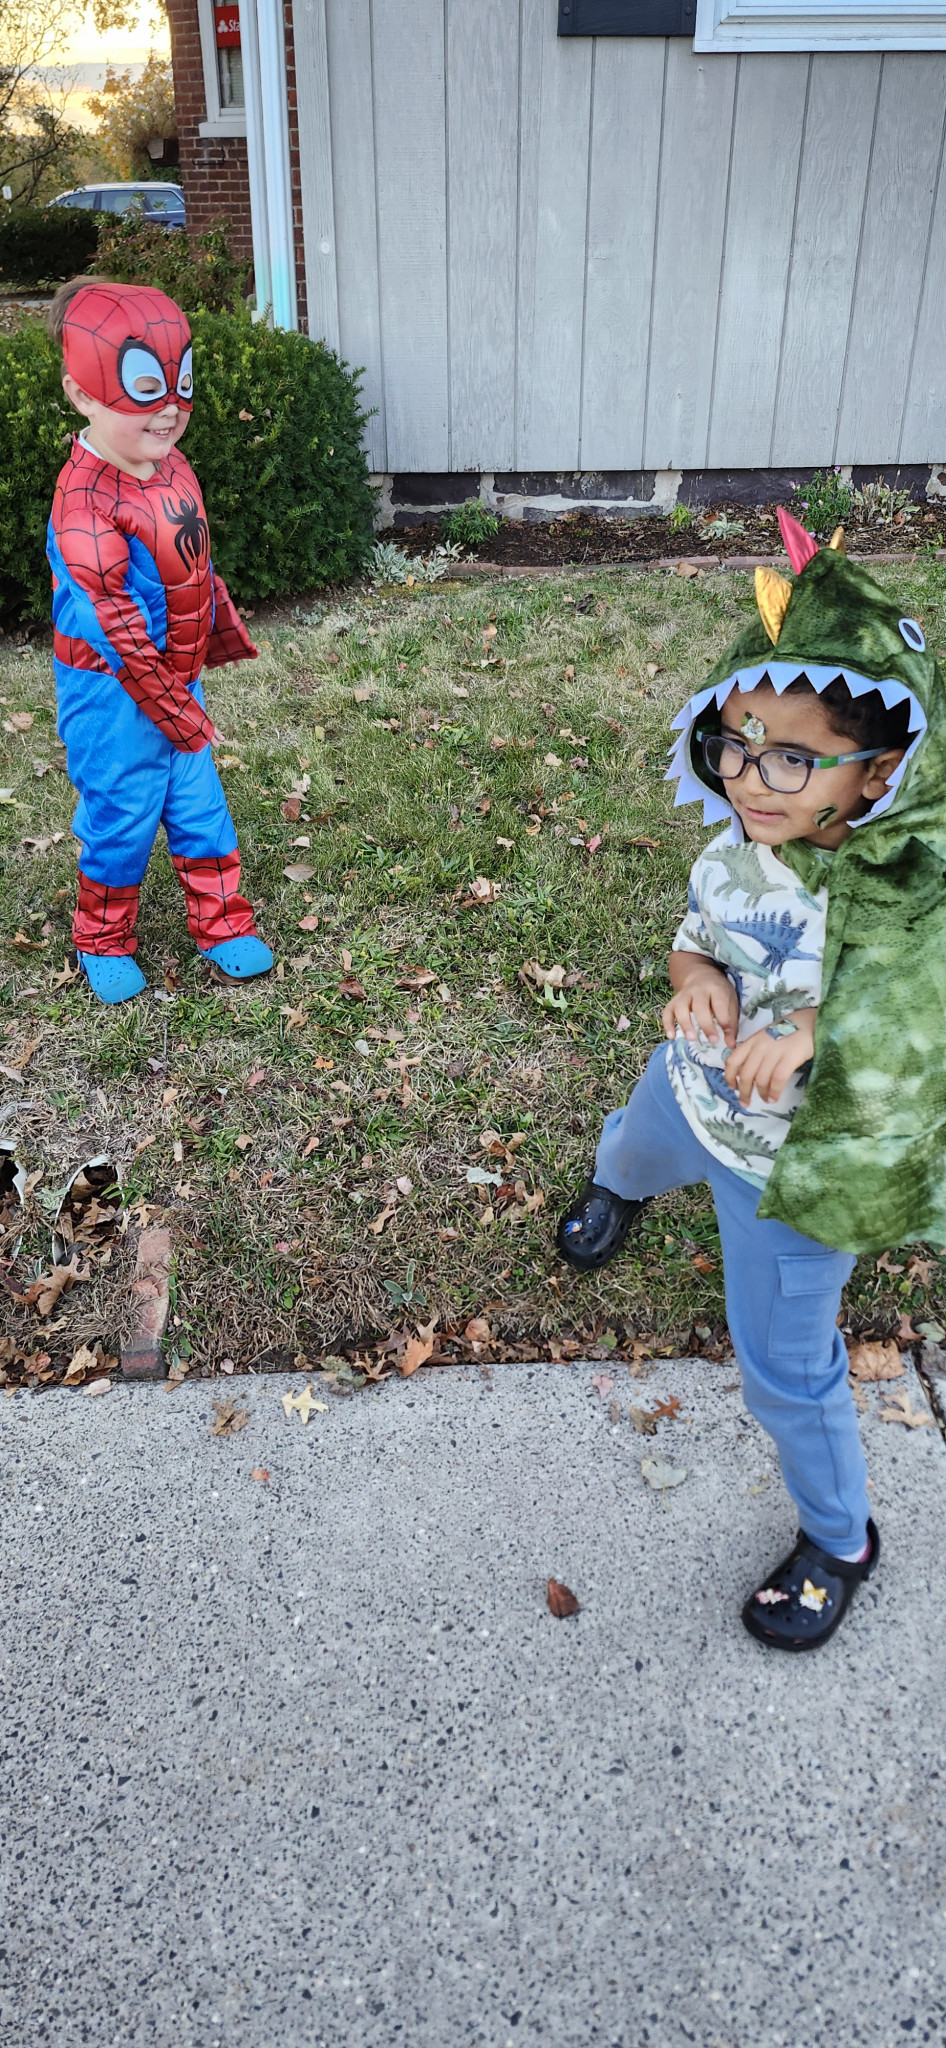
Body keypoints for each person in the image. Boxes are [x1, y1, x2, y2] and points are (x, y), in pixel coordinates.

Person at [557, 507, 946, 1651]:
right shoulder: (735, 849)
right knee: (631, 1143)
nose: (749, 778)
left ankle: (839, 1535)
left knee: (785, 1368)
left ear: (876, 773)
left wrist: (814, 1031)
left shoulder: (906, 893)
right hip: (692, 1092)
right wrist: (696, 986)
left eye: (789, 756)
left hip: (793, 1177)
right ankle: (619, 1186)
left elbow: (915, 1016)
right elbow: (698, 937)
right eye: (734, 743)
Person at [45, 276, 273, 1004]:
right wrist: (176, 711)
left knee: (200, 806)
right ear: (81, 392)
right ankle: (101, 937)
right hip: (111, 694)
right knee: (121, 818)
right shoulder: (83, 506)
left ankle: (223, 924)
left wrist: (210, 634)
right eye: (145, 389)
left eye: (181, 383)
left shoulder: (170, 464)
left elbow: (190, 559)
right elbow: (112, 622)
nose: (170, 407)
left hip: (176, 677)